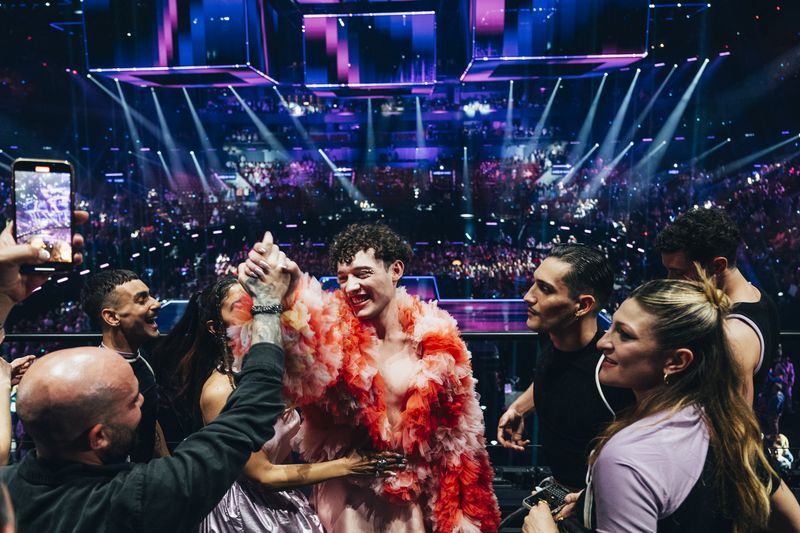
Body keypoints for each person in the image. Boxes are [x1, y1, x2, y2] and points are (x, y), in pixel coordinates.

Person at [0, 231, 292, 533]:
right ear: (98, 437)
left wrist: (4, 297)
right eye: (131, 401)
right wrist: (268, 306)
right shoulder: (141, 498)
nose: (141, 399)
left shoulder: (8, 490)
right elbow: (246, 419)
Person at [240, 223, 500, 532]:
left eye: (362, 274)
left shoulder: (438, 343)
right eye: (342, 278)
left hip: (412, 503)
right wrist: (281, 301)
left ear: (396, 270)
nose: (350, 287)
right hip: (347, 501)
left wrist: (463, 515)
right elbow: (295, 364)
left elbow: (460, 440)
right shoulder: (331, 333)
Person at [523, 278, 800, 532]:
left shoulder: (626, 458)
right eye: (612, 327)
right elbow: (791, 520)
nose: (604, 342)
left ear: (677, 361)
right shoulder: (728, 424)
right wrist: (595, 499)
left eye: (625, 334)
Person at [154, 276, 404, 532]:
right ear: (215, 328)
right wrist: (348, 466)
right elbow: (262, 475)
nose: (253, 313)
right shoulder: (220, 391)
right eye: (240, 306)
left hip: (284, 499)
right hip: (245, 515)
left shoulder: (267, 373)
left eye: (256, 302)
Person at [496, 244, 634, 489]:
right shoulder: (549, 335)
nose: (528, 296)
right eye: (534, 283)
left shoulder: (612, 370)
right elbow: (558, 373)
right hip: (558, 487)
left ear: (582, 306)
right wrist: (519, 407)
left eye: (545, 289)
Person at [655, 207, 780, 405]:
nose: (670, 281)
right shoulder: (757, 296)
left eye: (678, 272)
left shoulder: (733, 337)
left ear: (718, 266)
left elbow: (737, 428)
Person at [80, 269, 168, 461]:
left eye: (150, 295)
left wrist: (167, 463)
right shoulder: (95, 378)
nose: (156, 303)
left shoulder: (143, 360)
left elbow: (150, 420)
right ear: (112, 317)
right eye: (142, 300)